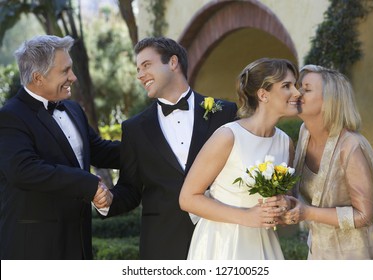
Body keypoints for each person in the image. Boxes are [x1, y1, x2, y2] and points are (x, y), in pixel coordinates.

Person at [99, 36, 237, 260]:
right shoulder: (134, 129)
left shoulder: (224, 113)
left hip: (220, 237)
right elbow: (130, 190)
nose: (140, 75)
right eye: (138, 69)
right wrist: (106, 200)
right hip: (162, 245)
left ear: (173, 63)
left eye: (146, 65)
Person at [0, 35, 120, 259]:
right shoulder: (9, 117)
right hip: (33, 250)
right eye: (65, 71)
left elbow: (100, 151)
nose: (73, 77)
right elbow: (24, 170)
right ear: (38, 78)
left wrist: (150, 147)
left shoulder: (73, 109)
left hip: (78, 245)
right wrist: (88, 183)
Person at [179, 57, 301, 259]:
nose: (297, 93)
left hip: (263, 241)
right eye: (287, 86)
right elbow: (188, 198)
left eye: (295, 85)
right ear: (263, 94)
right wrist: (246, 216)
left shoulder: (285, 143)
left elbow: (287, 199)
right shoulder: (228, 136)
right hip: (220, 243)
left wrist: (284, 206)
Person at [283, 65, 373, 259]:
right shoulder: (304, 133)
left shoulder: (351, 146)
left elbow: (365, 215)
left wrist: (307, 212)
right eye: (299, 87)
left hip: (357, 257)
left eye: (306, 88)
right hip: (318, 252)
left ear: (329, 101)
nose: (297, 93)